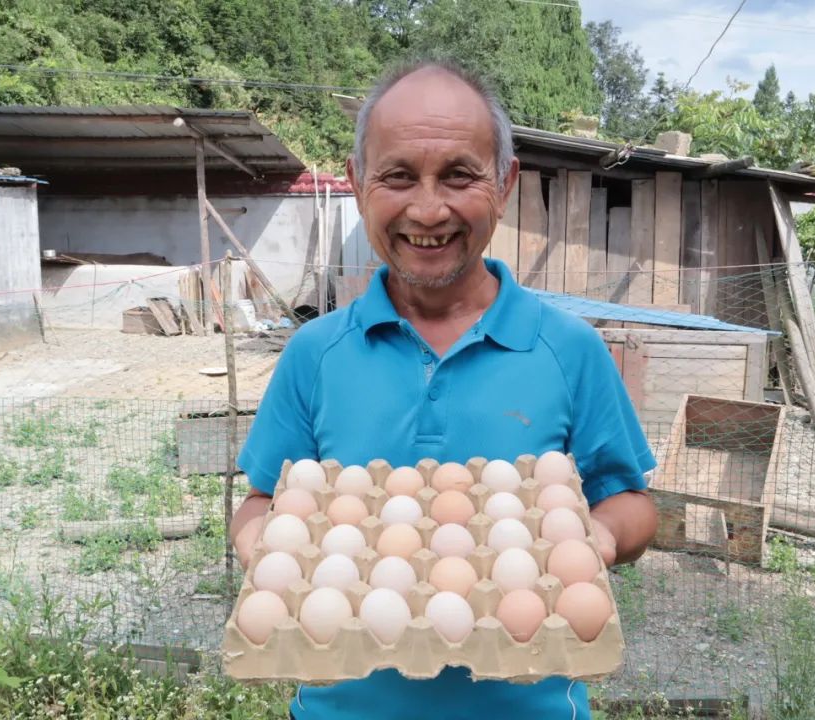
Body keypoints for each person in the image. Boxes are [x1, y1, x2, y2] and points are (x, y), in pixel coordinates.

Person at [229, 58, 658, 720]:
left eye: (459, 175)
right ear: (356, 182)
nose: (428, 209)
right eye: (398, 176)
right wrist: (271, 551)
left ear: (506, 182)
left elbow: (630, 501)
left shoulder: (570, 350)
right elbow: (263, 499)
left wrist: (587, 543)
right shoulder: (315, 354)